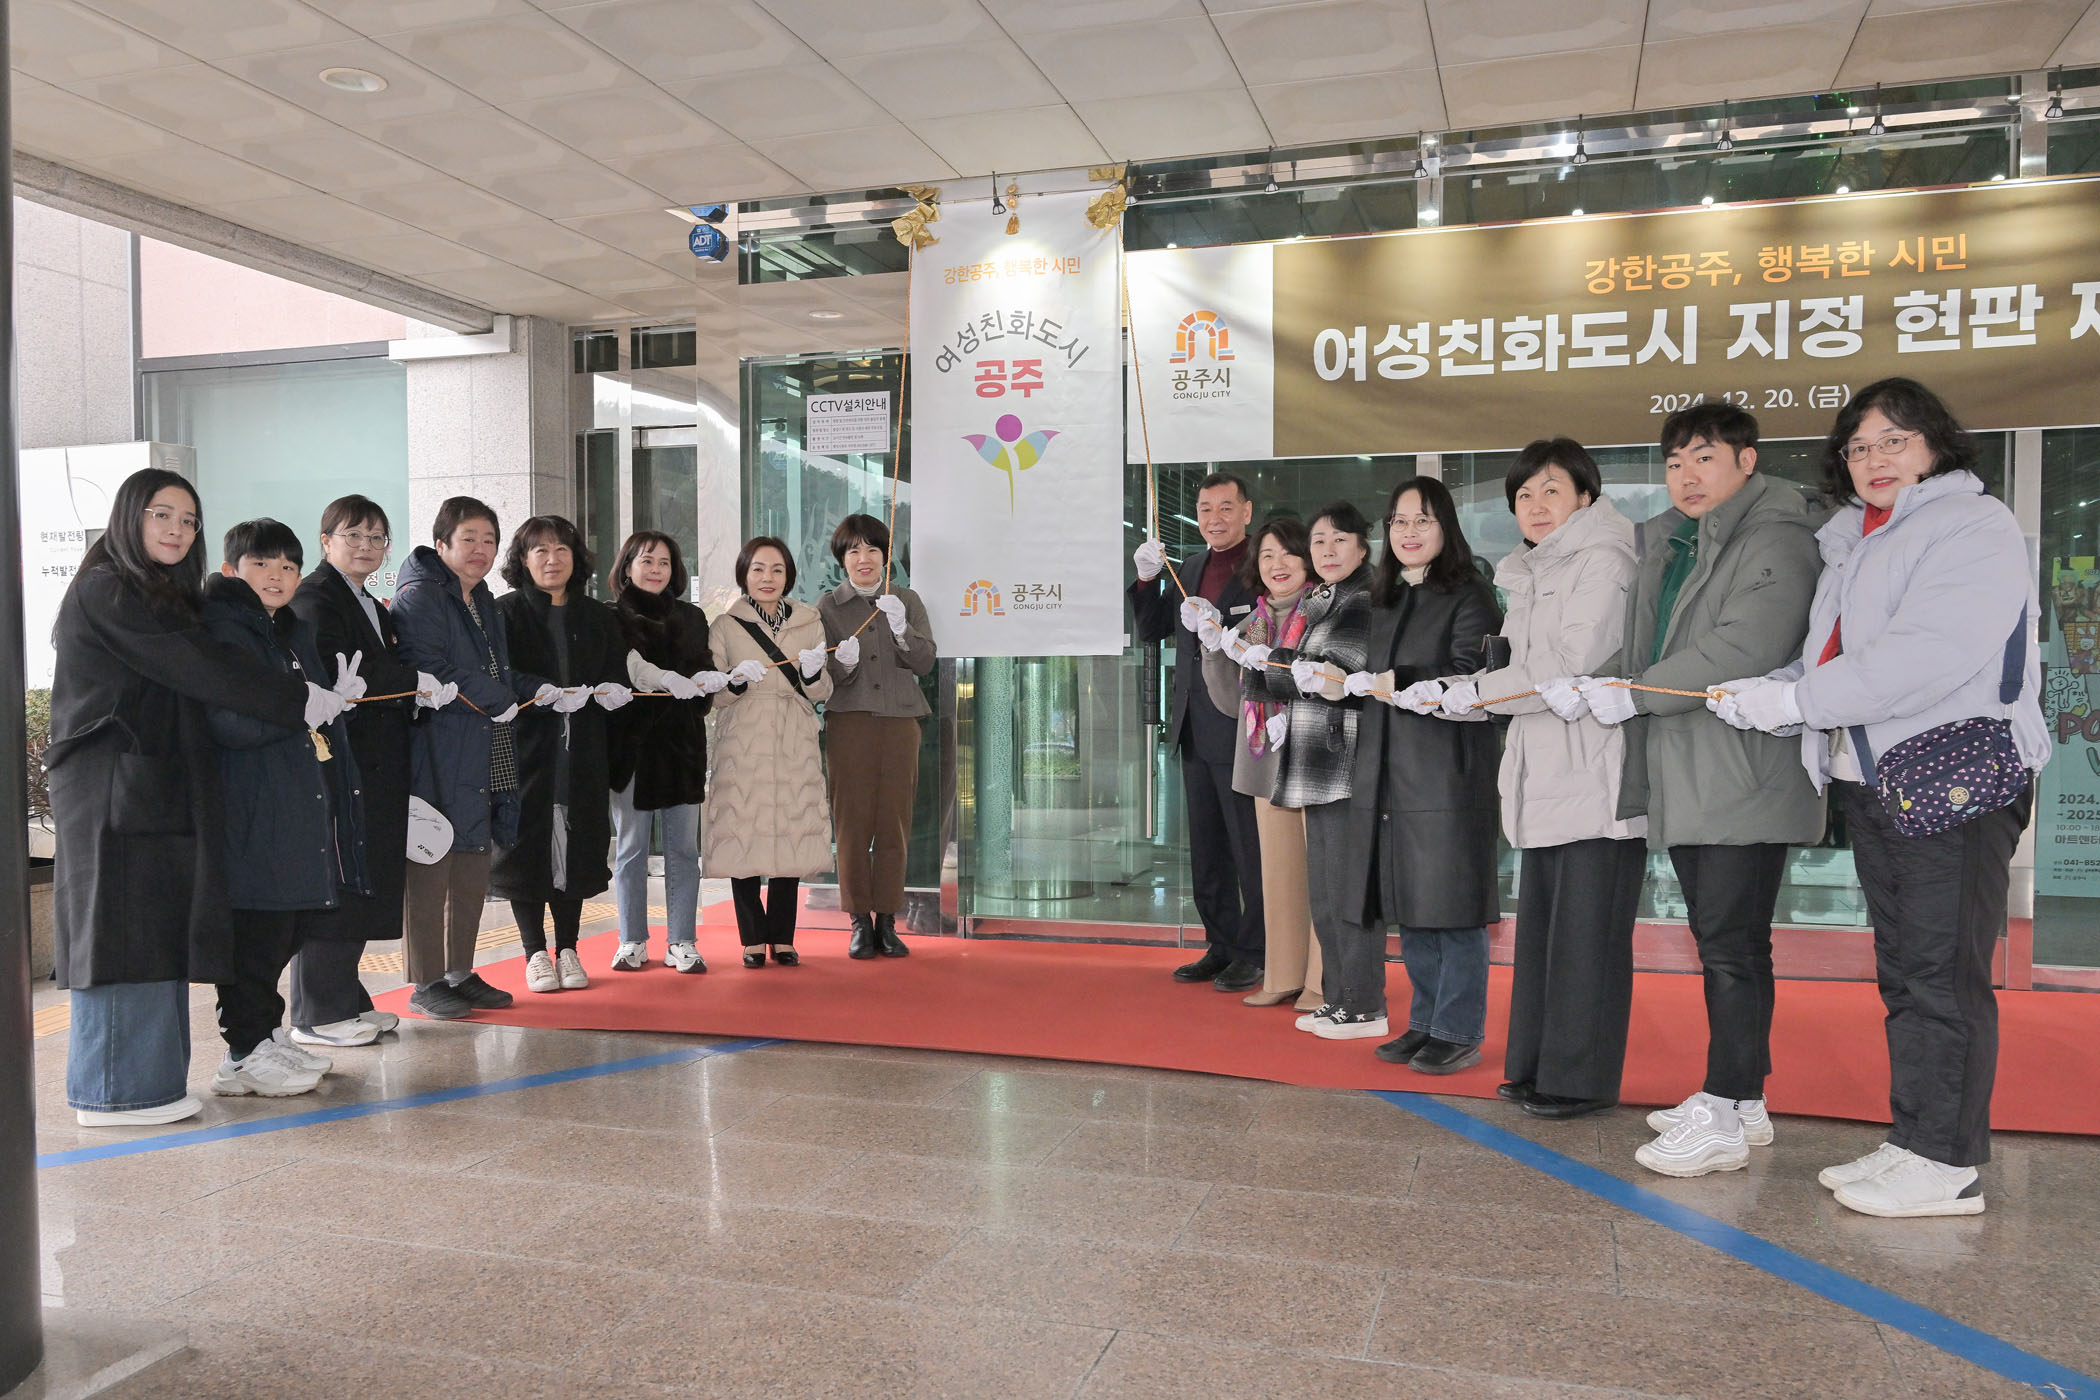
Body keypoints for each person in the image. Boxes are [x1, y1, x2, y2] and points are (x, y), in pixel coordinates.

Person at [1711, 378, 2045, 1218]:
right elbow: (1834, 656)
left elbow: (1923, 654)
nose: (1875, 458)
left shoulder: (1972, 525)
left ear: (1935, 444)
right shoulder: (1856, 539)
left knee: (1942, 975)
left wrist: (1795, 701)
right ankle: (1915, 1140)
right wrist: (1772, 687)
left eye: (1895, 440)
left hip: (1951, 778)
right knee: (1905, 972)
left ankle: (1948, 1164)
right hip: (1874, 778)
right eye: (1859, 447)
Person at [1543, 402, 1823, 1178]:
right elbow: (1650, 646)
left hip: (1744, 770)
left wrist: (1633, 694)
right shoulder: (1674, 539)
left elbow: (1745, 645)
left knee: (1732, 945)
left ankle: (1726, 1107)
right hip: (1695, 764)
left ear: (1746, 460)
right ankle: (1743, 1100)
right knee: (1727, 941)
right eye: (1674, 462)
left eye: (1704, 457)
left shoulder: (1777, 535)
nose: (1687, 475)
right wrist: (1602, 682)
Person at [45, 469, 334, 1126]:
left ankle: (144, 1086)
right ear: (129, 517)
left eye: (188, 519)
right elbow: (196, 666)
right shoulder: (108, 587)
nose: (177, 529)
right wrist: (295, 699)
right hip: (111, 791)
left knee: (151, 934)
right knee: (119, 933)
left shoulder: (157, 592)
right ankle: (113, 1093)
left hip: (147, 790)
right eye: (161, 514)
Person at [1423, 442, 1644, 1117]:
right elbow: (1522, 670)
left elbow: (1570, 661)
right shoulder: (1530, 571)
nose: (1536, 506)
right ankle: (1535, 1065)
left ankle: (1579, 1080)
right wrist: (1468, 691)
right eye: (1523, 495)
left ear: (1585, 495)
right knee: (1546, 933)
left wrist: (1475, 694)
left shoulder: (1605, 559)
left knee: (1587, 937)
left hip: (1595, 771)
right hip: (1545, 766)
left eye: (1552, 491)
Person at [200, 519, 370, 1098]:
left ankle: (266, 1035)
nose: (276, 576)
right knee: (256, 931)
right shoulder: (224, 632)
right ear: (231, 570)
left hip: (295, 801)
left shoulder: (287, 631)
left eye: (288, 566)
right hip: (251, 805)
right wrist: (303, 709)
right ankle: (242, 1054)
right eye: (261, 564)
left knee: (285, 926)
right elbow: (227, 722)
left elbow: (309, 713)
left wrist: (332, 703)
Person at [1339, 479, 1503, 1070]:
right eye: (1399, 521)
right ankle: (1426, 1022)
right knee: (1411, 903)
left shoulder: (1470, 593)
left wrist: (1398, 679)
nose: (1408, 532)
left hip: (1446, 775)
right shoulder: (1383, 596)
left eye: (1422, 520)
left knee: (1452, 906)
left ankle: (1458, 1030)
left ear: (1445, 527)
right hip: (1389, 771)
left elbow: (1470, 674)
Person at [287, 495, 452, 1047]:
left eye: (376, 537)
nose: (366, 546)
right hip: (342, 763)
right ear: (325, 541)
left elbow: (382, 670)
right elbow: (343, 672)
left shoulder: (370, 604)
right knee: (340, 881)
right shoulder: (316, 597)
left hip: (375, 763)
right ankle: (317, 1014)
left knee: (363, 880)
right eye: (352, 535)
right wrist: (412, 682)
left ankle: (346, 999)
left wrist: (415, 691)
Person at [391, 497, 541, 1021]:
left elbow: (498, 673)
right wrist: (502, 699)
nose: (480, 549)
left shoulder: (482, 599)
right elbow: (431, 666)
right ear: (441, 544)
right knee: (431, 865)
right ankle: (425, 980)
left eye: (489, 540)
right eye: (468, 538)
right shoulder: (421, 597)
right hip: (437, 748)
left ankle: (459, 971)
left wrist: (537, 690)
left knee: (472, 865)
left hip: (481, 744)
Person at [1236, 502, 1376, 1037]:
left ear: (1361, 546)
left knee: (1343, 889)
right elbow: (1290, 676)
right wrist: (1251, 659)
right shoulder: (1326, 600)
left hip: (1339, 762)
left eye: (1338, 540)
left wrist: (1270, 662)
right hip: (1309, 763)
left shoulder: (1360, 599)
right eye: (1320, 541)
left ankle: (1356, 1001)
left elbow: (1334, 672)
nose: (1328, 550)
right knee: (1323, 890)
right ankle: (1338, 996)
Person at [1130, 473, 1266, 992]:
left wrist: (1222, 631)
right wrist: (1147, 580)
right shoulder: (1188, 567)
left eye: (1226, 507)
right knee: (1207, 848)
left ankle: (1256, 950)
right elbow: (1152, 628)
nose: (1215, 518)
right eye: (1206, 509)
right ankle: (1221, 944)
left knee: (1249, 846)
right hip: (1193, 725)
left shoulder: (1264, 565)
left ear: (1247, 511)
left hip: (1243, 727)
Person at [492, 515, 632, 994]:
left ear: (576, 558)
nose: (552, 560)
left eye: (561, 550)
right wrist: (538, 690)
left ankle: (568, 948)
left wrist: (614, 690)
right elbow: (498, 673)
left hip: (583, 749)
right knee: (525, 846)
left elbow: (616, 671)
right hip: (527, 748)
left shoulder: (598, 616)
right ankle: (534, 952)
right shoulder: (506, 613)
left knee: (576, 844)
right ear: (523, 560)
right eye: (540, 551)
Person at [1200, 518, 1321, 1010]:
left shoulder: (1324, 611)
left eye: (1288, 553)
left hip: (1313, 760)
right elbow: (1232, 703)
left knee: (1322, 875)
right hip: (1265, 760)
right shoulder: (1253, 622)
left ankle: (1320, 981)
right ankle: (1283, 973)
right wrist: (1214, 650)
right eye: (1267, 555)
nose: (1277, 564)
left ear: (1308, 560)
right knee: (1277, 873)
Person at [705, 537, 835, 966]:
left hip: (793, 734)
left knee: (791, 830)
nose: (767, 578)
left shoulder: (809, 622)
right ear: (744, 574)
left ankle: (782, 936)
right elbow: (715, 695)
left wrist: (813, 674)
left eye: (777, 569)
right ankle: (752, 937)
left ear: (788, 576)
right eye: (758, 569)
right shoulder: (726, 625)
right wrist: (735, 680)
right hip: (743, 735)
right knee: (742, 830)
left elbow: (822, 690)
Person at [606, 531, 724, 974]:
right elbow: (620, 668)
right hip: (632, 748)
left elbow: (703, 667)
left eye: (664, 563)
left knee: (683, 851)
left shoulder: (692, 617)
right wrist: (664, 680)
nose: (656, 570)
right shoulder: (611, 616)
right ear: (627, 567)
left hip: (681, 747)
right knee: (631, 848)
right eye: (646, 560)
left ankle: (682, 941)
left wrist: (708, 681)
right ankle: (631, 939)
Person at [821, 513, 936, 959]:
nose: (863, 558)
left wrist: (903, 630)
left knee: (895, 822)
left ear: (885, 556)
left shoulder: (905, 599)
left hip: (901, 722)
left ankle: (887, 919)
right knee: (852, 824)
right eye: (853, 550)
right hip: (849, 723)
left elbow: (925, 662)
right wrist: (843, 664)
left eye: (872, 548)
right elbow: (822, 677)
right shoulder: (827, 607)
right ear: (842, 559)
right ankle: (858, 920)